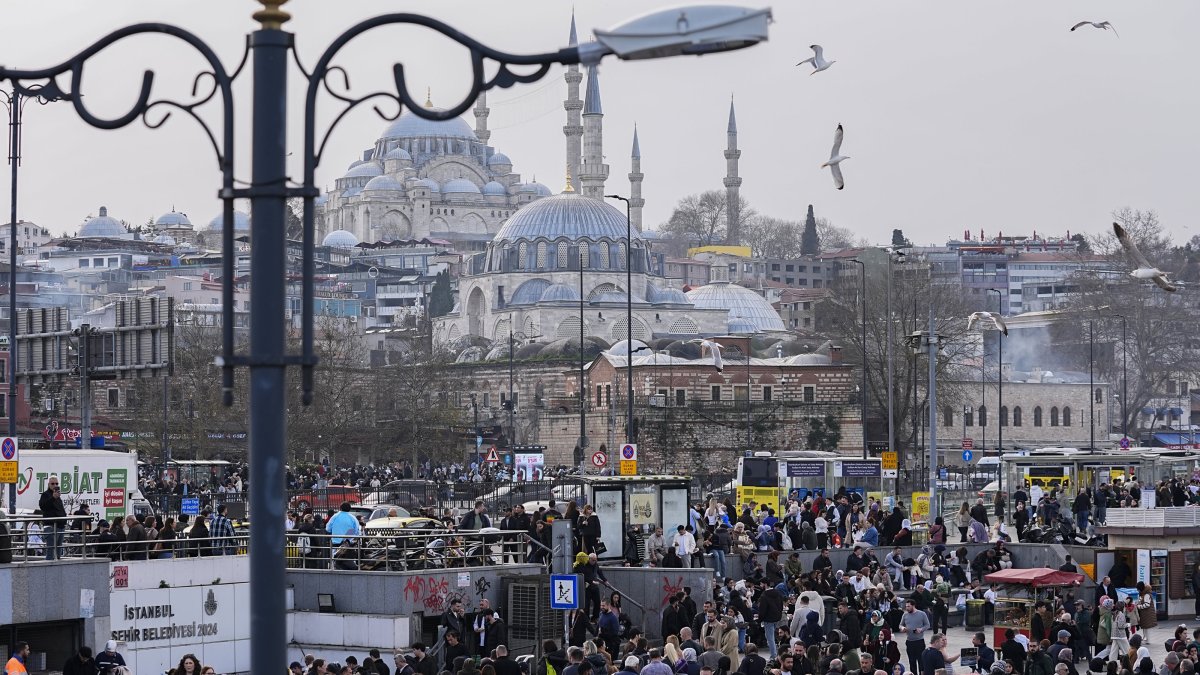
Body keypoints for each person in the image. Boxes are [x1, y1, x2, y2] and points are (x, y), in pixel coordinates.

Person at [326, 501, 361, 570]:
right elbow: (357, 531)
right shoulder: (353, 518)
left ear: (340, 508)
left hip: (336, 545)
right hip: (348, 546)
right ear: (349, 509)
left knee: (335, 564)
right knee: (350, 565)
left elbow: (328, 529)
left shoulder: (335, 516)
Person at [39, 476, 67, 560]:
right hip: (51, 526)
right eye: (52, 483)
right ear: (48, 484)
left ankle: (56, 571)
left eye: (57, 483)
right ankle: (47, 570)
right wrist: (53, 498)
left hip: (60, 526)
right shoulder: (45, 495)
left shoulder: (58, 497)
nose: (55, 485)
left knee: (58, 553)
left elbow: (61, 510)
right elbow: (43, 506)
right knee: (51, 552)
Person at [899, 599, 929, 675]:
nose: (907, 608)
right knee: (912, 662)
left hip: (919, 641)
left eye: (908, 606)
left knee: (921, 661)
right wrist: (903, 628)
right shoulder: (905, 615)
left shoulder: (922, 614)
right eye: (906, 606)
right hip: (909, 641)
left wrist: (921, 629)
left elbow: (927, 625)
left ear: (913, 605)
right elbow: (900, 625)